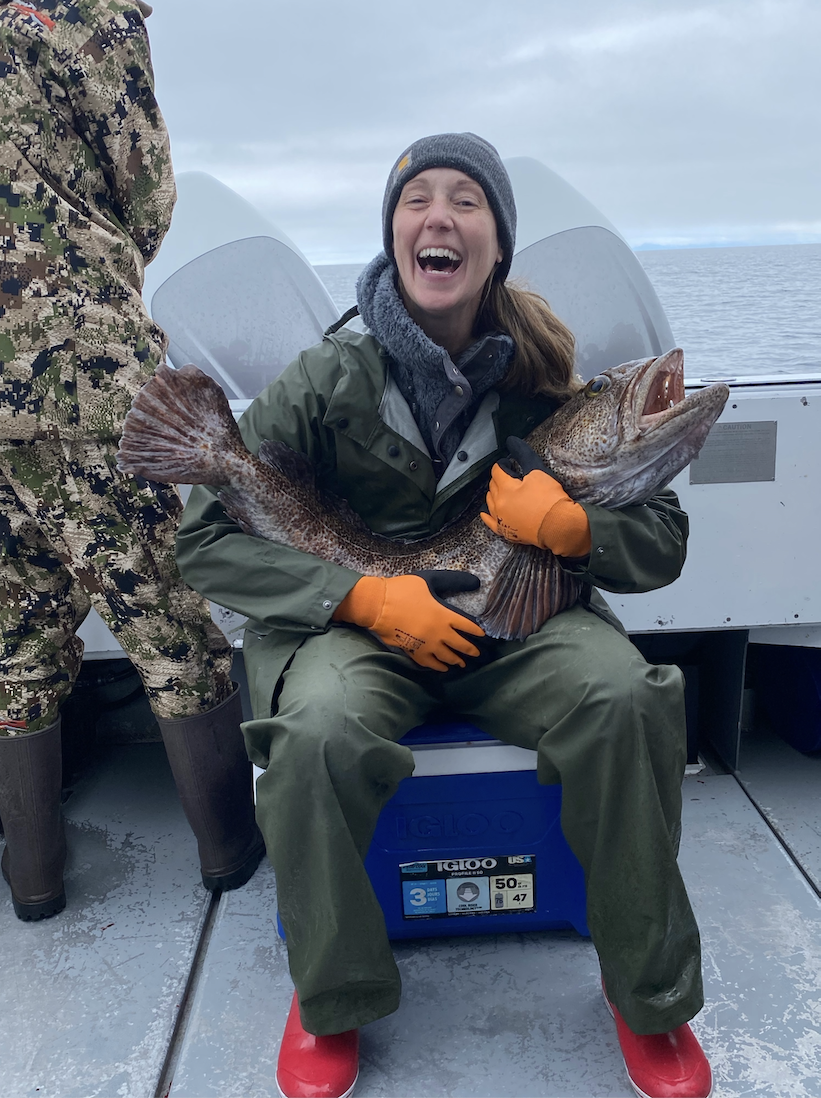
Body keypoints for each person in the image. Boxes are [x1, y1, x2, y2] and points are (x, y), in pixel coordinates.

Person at [176, 133, 712, 1098]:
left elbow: (662, 541)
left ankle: (648, 996)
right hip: (359, 632)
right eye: (416, 198)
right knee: (317, 731)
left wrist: (573, 524)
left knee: (626, 699)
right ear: (392, 236)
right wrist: (361, 596)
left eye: (466, 200)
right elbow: (205, 545)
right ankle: (330, 996)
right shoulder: (322, 381)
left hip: (527, 628)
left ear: (496, 243)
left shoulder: (548, 373)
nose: (439, 215)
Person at [0, 0, 263, 922]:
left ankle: (34, 877)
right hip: (80, 373)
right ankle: (230, 850)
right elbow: (143, 190)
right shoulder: (88, 15)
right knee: (166, 618)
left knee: (14, 640)